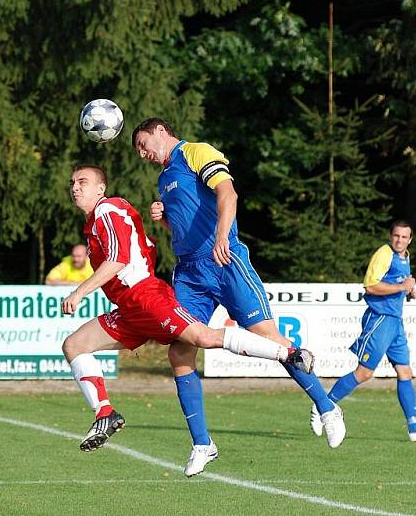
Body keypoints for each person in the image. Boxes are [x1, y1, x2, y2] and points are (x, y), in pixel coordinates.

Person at [131, 118, 346, 475]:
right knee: (180, 351)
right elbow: (185, 224)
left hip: (225, 259)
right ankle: (202, 443)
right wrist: (163, 219)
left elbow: (227, 194)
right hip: (189, 272)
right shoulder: (163, 179)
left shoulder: (195, 152)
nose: (142, 154)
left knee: (270, 338)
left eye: (142, 144)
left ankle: (327, 406)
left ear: (159, 131)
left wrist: (221, 237)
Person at [61, 164, 317, 455]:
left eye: (83, 181)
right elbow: (142, 245)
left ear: (100, 189)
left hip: (147, 298)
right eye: (72, 183)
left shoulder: (107, 210)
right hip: (130, 307)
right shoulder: (97, 221)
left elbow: (119, 259)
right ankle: (105, 413)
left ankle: (289, 353)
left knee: (203, 338)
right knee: (74, 345)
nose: (75, 187)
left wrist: (79, 292)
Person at [310, 220, 416, 442]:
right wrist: (402, 287)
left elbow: (397, 284)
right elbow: (370, 286)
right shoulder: (385, 254)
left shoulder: (405, 257)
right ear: (390, 236)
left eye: (404, 237)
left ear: (410, 239)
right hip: (380, 319)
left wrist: (408, 292)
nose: (399, 240)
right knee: (364, 373)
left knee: (405, 372)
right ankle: (322, 406)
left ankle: (414, 427)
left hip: (395, 322)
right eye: (396, 236)